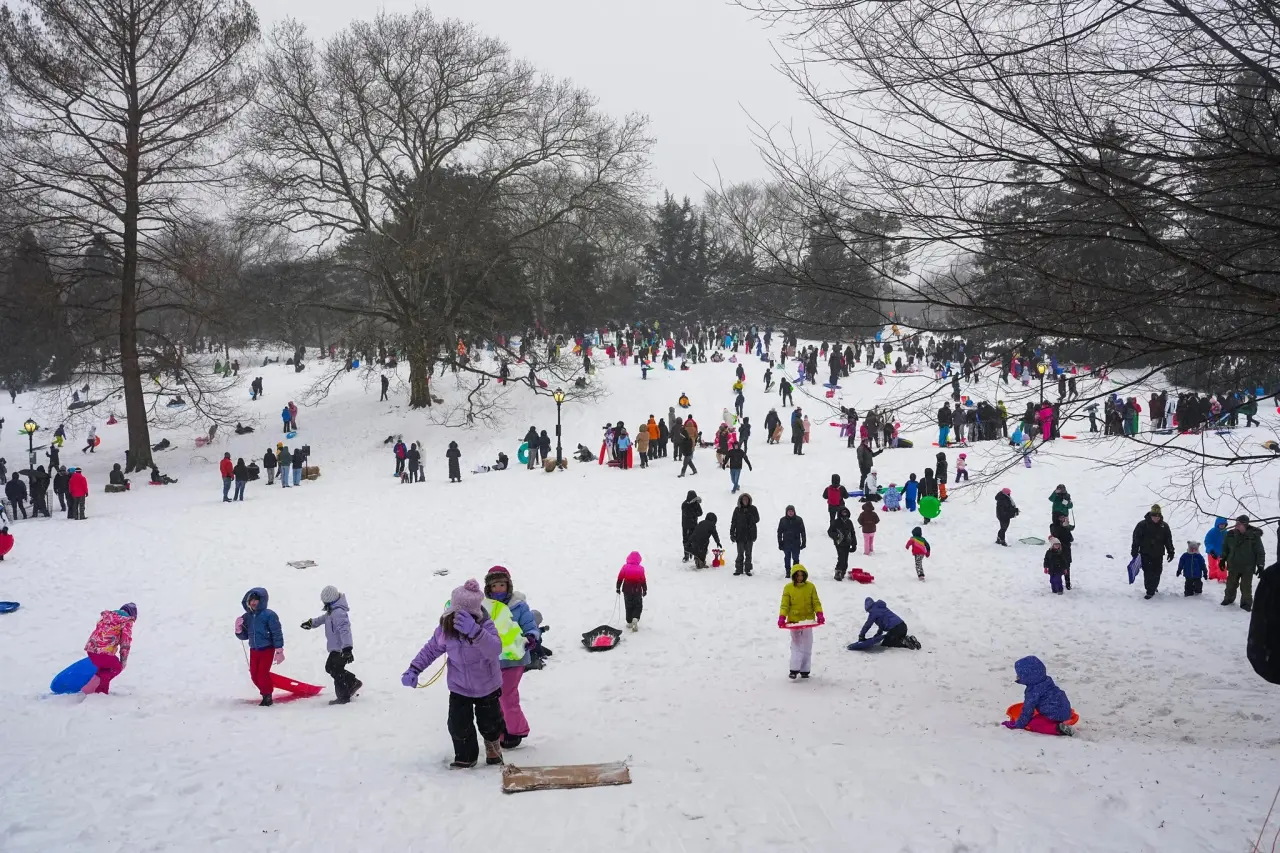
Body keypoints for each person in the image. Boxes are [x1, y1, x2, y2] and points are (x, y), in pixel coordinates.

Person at [401, 580, 505, 768]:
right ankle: (465, 755)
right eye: (455, 613)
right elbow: (431, 650)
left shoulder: (485, 625)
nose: (458, 618)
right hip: (459, 686)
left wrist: (475, 632)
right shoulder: (446, 629)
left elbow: (495, 649)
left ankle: (492, 745)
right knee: (458, 724)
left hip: (486, 685)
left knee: (490, 722)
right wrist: (414, 669)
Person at [482, 566, 540, 747]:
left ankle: (516, 730)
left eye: (501, 585)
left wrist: (531, 637)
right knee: (494, 698)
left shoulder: (518, 606)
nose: (498, 589)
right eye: (494, 586)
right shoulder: (484, 607)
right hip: (493, 660)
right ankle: (501, 729)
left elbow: (530, 626)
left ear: (508, 585)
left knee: (507, 695)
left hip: (515, 658)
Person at [301, 586, 362, 704]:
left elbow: (345, 631)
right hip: (336, 648)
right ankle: (353, 682)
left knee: (336, 670)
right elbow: (321, 619)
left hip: (341, 649)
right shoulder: (332, 612)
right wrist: (311, 623)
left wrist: (347, 648)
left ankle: (343, 697)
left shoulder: (338, 613)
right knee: (330, 668)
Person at [235, 587, 284, 706]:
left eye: (256, 600)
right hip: (254, 650)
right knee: (254, 675)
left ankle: (267, 697)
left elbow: (276, 632)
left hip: (267, 649)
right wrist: (239, 630)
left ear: (262, 600)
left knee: (262, 674)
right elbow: (245, 636)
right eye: (251, 600)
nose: (253, 602)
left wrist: (279, 650)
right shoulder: (247, 617)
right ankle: (265, 692)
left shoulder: (269, 615)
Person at [1003, 656, 1074, 736]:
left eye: (1019, 674)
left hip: (1054, 715)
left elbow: (1027, 711)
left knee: (1033, 723)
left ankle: (1058, 729)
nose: (1018, 676)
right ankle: (1060, 722)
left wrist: (1018, 724)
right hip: (1066, 710)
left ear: (1027, 676)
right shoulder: (1047, 680)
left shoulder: (1032, 691)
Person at [778, 565, 823, 679]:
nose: (800, 578)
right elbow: (785, 605)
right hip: (794, 621)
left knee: (807, 644)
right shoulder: (788, 588)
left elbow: (816, 602)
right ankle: (794, 669)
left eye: (802, 575)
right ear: (794, 576)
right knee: (796, 644)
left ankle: (805, 669)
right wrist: (782, 616)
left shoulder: (810, 587)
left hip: (808, 620)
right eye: (797, 575)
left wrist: (819, 613)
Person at [84, 602, 137, 694]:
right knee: (116, 668)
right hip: (103, 653)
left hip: (91, 649)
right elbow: (125, 643)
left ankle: (100, 691)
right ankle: (95, 690)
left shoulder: (108, 617)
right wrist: (123, 661)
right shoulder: (126, 621)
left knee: (105, 669)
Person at [1221, 514, 1266, 611]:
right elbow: (1225, 548)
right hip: (1233, 565)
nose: (1236, 525)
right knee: (1230, 585)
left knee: (1246, 587)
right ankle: (1228, 599)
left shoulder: (1254, 536)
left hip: (1247, 567)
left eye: (1239, 524)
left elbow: (1260, 552)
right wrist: (1222, 560)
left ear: (1245, 525)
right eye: (1236, 523)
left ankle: (1246, 604)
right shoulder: (1230, 535)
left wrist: (1260, 565)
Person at [1131, 504, 1175, 599]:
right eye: (1154, 516)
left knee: (1157, 572)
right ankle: (1149, 591)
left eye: (1158, 516)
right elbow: (1136, 538)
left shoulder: (1164, 526)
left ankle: (1154, 587)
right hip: (1145, 553)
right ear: (1151, 515)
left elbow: (1168, 540)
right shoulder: (1142, 525)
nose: (1156, 518)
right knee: (1148, 572)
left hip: (1158, 554)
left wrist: (1171, 551)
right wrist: (1134, 550)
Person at [854, 597, 920, 649]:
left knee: (887, 643)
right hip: (903, 626)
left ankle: (905, 644)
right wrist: (877, 635)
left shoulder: (873, 612)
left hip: (895, 629)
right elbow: (882, 624)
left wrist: (861, 635)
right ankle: (908, 639)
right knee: (893, 638)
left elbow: (867, 625)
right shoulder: (881, 608)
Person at [616, 551, 648, 630]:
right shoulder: (641, 569)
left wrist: (618, 588)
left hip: (627, 590)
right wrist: (644, 589)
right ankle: (635, 618)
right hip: (637, 590)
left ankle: (629, 622)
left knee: (628, 606)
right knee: (638, 605)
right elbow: (643, 580)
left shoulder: (625, 567)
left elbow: (620, 578)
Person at [729, 492, 760, 576]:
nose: (745, 500)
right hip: (740, 535)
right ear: (741, 500)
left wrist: (750, 515)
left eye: (747, 499)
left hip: (750, 535)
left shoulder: (753, 508)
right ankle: (738, 569)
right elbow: (733, 522)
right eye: (744, 499)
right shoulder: (737, 509)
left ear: (749, 500)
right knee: (740, 553)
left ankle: (748, 569)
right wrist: (732, 533)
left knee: (748, 554)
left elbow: (757, 519)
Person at [777, 505, 807, 578]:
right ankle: (788, 571)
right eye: (789, 511)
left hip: (796, 543)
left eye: (792, 511)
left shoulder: (799, 520)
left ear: (794, 512)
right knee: (787, 558)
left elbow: (803, 531)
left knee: (795, 558)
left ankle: (795, 571)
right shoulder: (782, 520)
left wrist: (804, 542)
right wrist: (780, 542)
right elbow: (779, 532)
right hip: (786, 543)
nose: (790, 513)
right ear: (786, 512)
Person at [828, 506, 857, 581]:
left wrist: (854, 544)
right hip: (839, 543)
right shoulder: (836, 522)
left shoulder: (849, 522)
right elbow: (830, 531)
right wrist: (836, 536)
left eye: (845, 512)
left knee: (845, 558)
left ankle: (843, 571)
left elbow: (852, 532)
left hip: (847, 543)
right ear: (840, 513)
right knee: (841, 558)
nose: (844, 513)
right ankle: (838, 572)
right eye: (843, 512)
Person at [1050, 512, 1075, 589]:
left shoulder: (1066, 526)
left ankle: (1068, 583)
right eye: (1061, 517)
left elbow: (1070, 538)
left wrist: (1067, 528)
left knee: (1067, 566)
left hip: (1066, 549)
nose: (1062, 519)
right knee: (1056, 567)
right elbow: (1056, 535)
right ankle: (1056, 584)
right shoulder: (1053, 526)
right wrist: (1064, 527)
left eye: (1063, 517)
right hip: (1057, 550)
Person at [681, 490, 703, 562]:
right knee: (686, 540)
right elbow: (687, 514)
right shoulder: (685, 504)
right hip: (686, 526)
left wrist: (695, 512)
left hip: (694, 525)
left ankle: (695, 554)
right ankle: (686, 556)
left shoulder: (696, 504)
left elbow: (700, 513)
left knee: (694, 540)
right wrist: (694, 513)